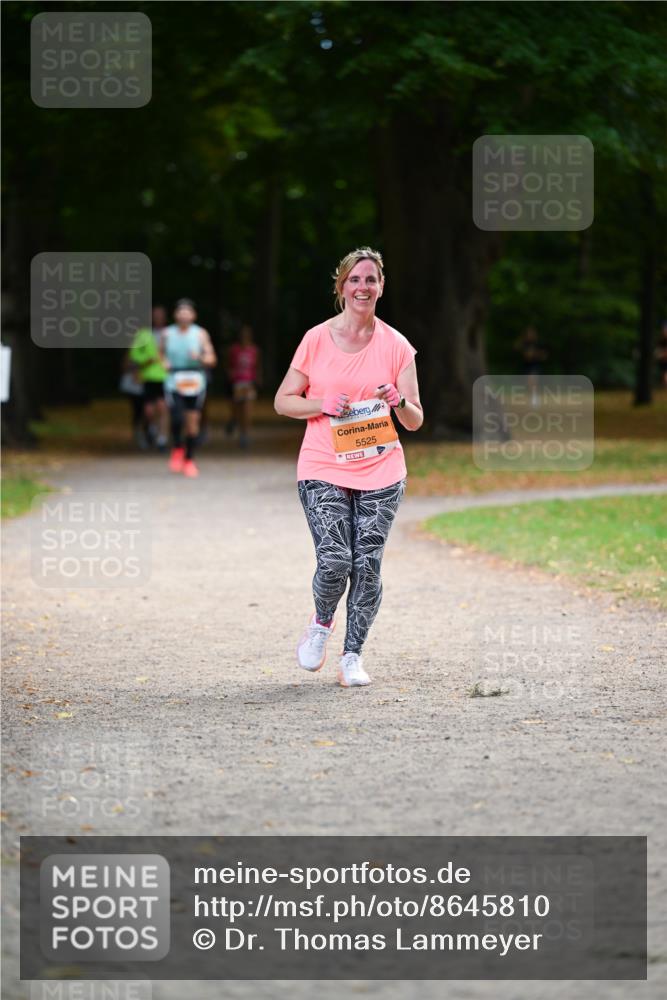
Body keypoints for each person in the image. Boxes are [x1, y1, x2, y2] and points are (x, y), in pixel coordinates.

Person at [274, 247, 423, 688]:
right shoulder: (316, 338)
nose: (363, 287)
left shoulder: (397, 345)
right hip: (323, 464)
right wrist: (322, 404)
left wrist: (399, 402)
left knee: (368, 563)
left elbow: (415, 419)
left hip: (381, 469)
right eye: (355, 280)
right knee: (336, 558)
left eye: (371, 280)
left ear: (381, 288)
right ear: (341, 287)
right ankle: (321, 623)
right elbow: (284, 400)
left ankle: (352, 656)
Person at [161, 299, 217, 478]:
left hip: (195, 379)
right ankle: (177, 447)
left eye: (188, 312)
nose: (184, 315)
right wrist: (164, 362)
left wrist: (200, 357)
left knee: (192, 421)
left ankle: (189, 459)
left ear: (193, 315)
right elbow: (160, 354)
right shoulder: (167, 334)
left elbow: (212, 359)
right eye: (181, 312)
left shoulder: (200, 334)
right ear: (175, 315)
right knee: (176, 417)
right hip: (174, 379)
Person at [128, 306, 168, 451]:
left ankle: (162, 438)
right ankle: (151, 428)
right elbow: (134, 355)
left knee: (163, 407)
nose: (158, 317)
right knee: (149, 410)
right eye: (155, 315)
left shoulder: (169, 333)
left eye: (160, 314)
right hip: (148, 376)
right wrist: (146, 361)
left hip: (164, 376)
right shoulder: (143, 335)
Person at [227, 323, 262, 449]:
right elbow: (229, 364)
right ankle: (235, 424)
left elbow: (257, 366)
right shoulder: (234, 349)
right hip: (237, 383)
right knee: (238, 410)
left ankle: (244, 435)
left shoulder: (254, 350)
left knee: (247, 410)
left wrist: (258, 380)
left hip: (249, 383)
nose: (245, 336)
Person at [655, 321, 667, 389]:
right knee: (663, 376)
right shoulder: (661, 340)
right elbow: (658, 351)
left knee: (664, 376)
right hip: (663, 362)